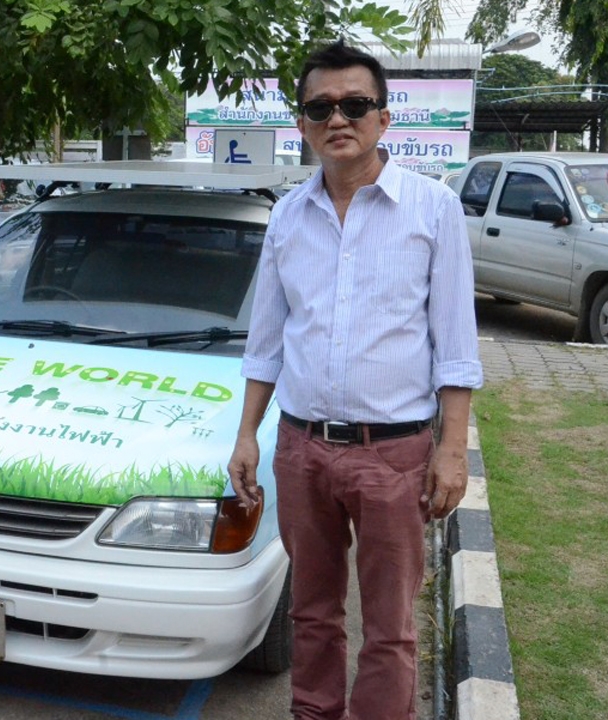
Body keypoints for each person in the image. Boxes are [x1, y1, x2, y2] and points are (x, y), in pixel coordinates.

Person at [226, 41, 483, 720]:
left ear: (383, 117)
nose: (337, 118)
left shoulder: (432, 211)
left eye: (354, 104)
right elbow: (266, 342)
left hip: (392, 456)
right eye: (320, 107)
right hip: (302, 449)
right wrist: (247, 434)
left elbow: (456, 345)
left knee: (391, 629)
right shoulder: (287, 216)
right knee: (311, 613)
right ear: (303, 122)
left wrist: (451, 449)